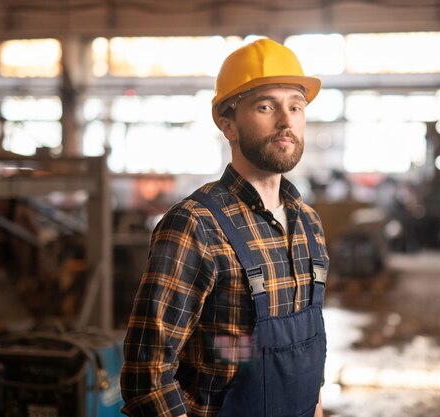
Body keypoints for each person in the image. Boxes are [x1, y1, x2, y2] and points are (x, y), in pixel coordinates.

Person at [120, 38, 330, 417]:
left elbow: (305, 358)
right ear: (227, 124)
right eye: (266, 106)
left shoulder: (309, 224)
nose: (286, 121)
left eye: (295, 106)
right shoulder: (195, 225)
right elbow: (147, 373)